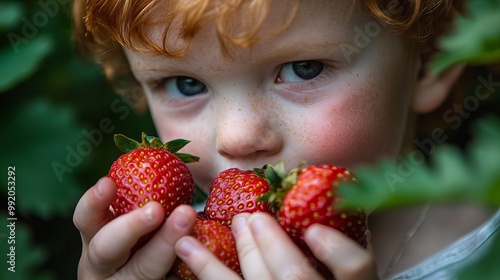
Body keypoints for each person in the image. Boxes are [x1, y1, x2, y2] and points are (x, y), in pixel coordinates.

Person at [71, 0, 499, 279]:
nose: (236, 138)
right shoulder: (182, 248)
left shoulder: (483, 262)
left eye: (304, 69)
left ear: (429, 64)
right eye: (184, 84)